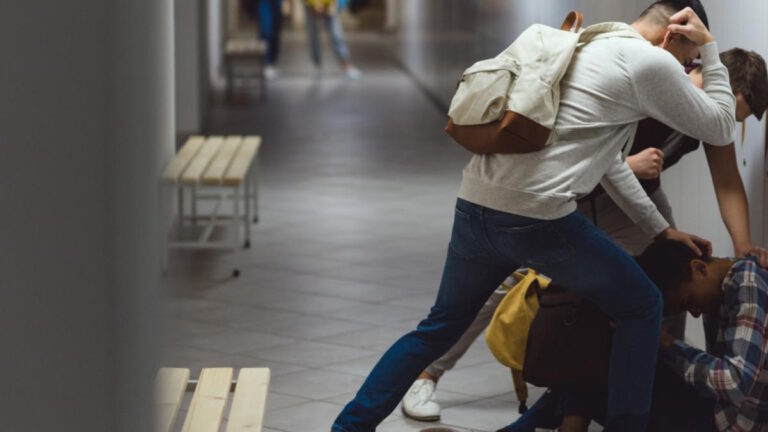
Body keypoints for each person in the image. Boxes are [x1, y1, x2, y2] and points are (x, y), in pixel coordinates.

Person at [331, 2, 735, 431]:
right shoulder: (650, 61)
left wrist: (661, 230)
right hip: (537, 218)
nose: (685, 68)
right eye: (688, 57)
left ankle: (348, 427)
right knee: (642, 303)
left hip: (475, 205)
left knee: (437, 328)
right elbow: (721, 126)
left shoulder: (588, 42)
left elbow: (610, 165)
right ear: (674, 34)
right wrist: (711, 49)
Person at [403, 45, 768, 423]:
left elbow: (727, 181)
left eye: (734, 119)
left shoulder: (713, 115)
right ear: (714, 82)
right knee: (505, 278)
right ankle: (427, 374)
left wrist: (744, 250)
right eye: (729, 111)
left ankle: (646, 385)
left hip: (636, 201)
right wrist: (627, 165)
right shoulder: (659, 79)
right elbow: (578, 138)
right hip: (575, 188)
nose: (724, 124)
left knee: (667, 280)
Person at [531, 239, 768, 432]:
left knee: (606, 360)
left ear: (699, 268)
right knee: (604, 353)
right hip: (720, 409)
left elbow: (734, 382)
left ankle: (547, 424)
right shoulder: (726, 285)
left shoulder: (746, 281)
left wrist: (664, 341)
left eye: (688, 302)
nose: (695, 313)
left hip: (731, 423)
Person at [304, 0, 362, 79]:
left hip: (329, 3)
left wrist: (333, 4)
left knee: (336, 34)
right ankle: (317, 66)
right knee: (313, 35)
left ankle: (345, 64)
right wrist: (315, 4)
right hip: (310, 4)